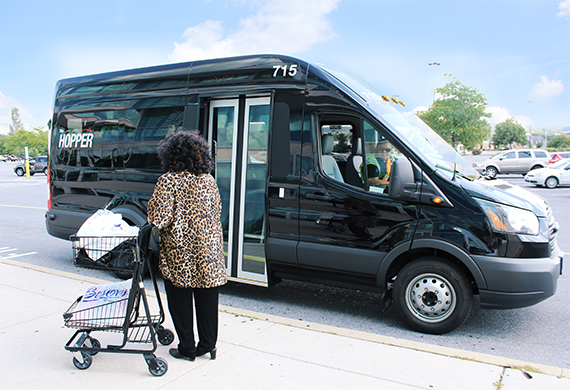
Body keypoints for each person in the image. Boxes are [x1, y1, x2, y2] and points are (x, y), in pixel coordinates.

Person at [147, 131, 227, 362]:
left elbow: (158, 218)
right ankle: (208, 346)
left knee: (180, 299)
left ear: (171, 155)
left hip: (180, 251)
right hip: (209, 250)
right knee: (207, 298)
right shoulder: (208, 180)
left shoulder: (168, 181)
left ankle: (187, 348)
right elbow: (216, 211)